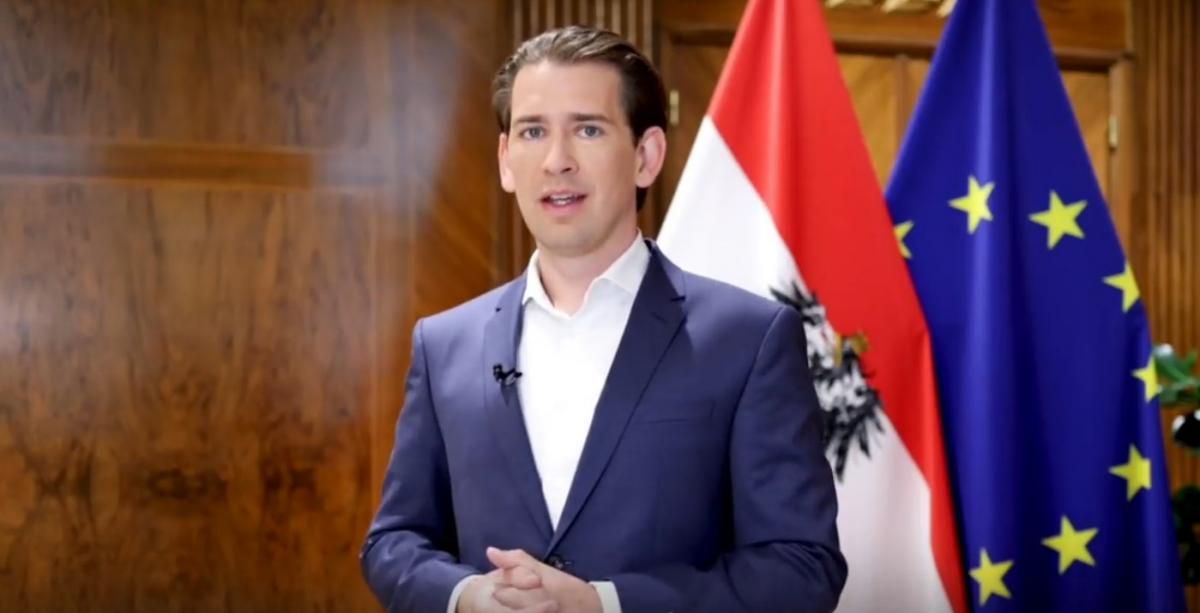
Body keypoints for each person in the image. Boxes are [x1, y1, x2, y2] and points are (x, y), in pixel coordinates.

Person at [360, 25, 846, 613]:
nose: (557, 161)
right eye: (533, 131)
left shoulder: (748, 340)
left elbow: (801, 568)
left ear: (646, 156)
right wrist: (465, 595)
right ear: (506, 160)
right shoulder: (443, 344)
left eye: (587, 130)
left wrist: (605, 603)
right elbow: (394, 541)